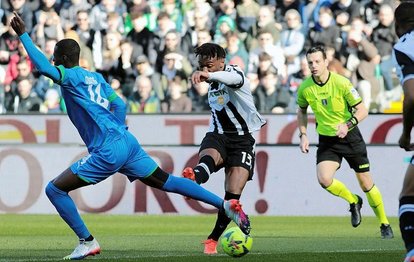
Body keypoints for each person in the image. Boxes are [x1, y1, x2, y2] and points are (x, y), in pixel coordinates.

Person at [10, 12, 251, 260]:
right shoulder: (96, 77)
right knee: (166, 181)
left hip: (108, 149)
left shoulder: (69, 77)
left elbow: (45, 68)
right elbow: (121, 106)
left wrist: (24, 35)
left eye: (54, 57)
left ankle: (87, 241)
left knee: (55, 190)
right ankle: (224, 205)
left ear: (61, 59)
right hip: (127, 142)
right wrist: (115, 130)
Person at [296, 45, 393, 239]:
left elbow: (362, 110)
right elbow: (302, 110)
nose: (313, 66)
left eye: (317, 61)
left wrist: (348, 125)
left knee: (366, 183)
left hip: (349, 137)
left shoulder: (341, 83)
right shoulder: (305, 87)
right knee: (324, 179)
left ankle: (384, 223)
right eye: (310, 63)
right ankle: (353, 201)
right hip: (327, 140)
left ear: (325, 62)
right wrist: (303, 134)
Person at [182, 43, 266, 254]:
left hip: (242, 142)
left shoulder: (235, 74)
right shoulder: (212, 83)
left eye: (209, 65)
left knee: (232, 198)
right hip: (218, 136)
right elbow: (218, 111)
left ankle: (213, 239)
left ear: (222, 60)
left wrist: (209, 75)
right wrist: (209, 77)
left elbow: (232, 79)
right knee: (206, 161)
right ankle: (195, 178)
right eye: (202, 66)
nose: (206, 69)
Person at [393, 2, 414, 261]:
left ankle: (412, 252)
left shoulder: (404, 45)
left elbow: (411, 97)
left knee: (409, 193)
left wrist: (406, 133)